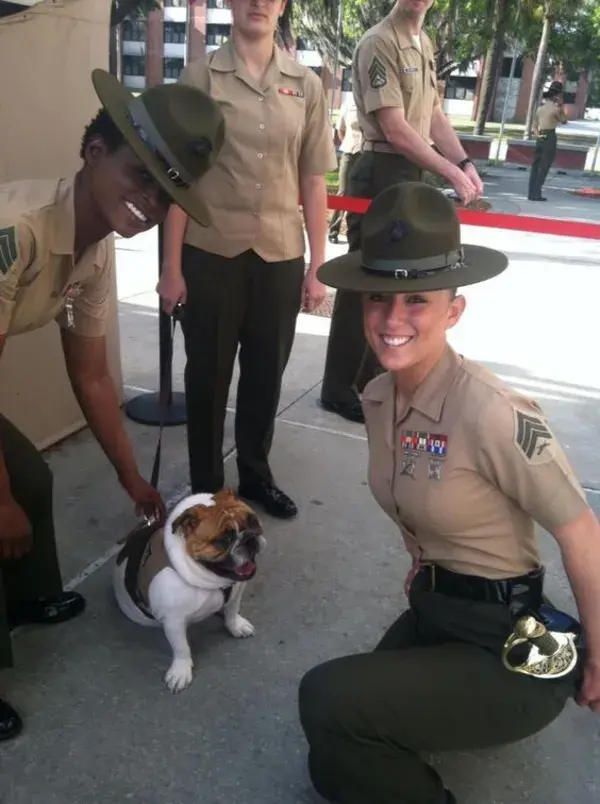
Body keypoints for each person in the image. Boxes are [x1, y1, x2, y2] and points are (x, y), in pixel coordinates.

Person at [298, 181, 600, 804]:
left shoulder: (490, 411)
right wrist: (423, 558)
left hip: (505, 642)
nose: (393, 320)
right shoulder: (380, 397)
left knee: (325, 698)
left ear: (453, 311)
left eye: (417, 300)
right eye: (379, 298)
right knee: (331, 764)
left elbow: (580, 532)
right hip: (438, 615)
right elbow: (412, 494)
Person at [0, 69, 225, 742]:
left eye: (165, 193)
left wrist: (133, 478)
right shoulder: (20, 231)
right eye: (139, 175)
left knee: (31, 478)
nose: (148, 202)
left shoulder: (93, 254)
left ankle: (30, 595)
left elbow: (93, 376)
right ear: (94, 153)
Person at [158, 0, 337, 520]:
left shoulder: (306, 84)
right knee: (207, 377)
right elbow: (179, 179)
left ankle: (256, 476)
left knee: (265, 375)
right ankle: (207, 489)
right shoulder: (200, 78)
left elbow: (312, 179)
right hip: (211, 254)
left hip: (280, 256)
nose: (258, 3)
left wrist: (318, 265)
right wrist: (171, 269)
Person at [319, 0, 485, 425]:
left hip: (411, 168)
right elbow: (394, 126)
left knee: (397, 282)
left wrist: (464, 163)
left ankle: (376, 379)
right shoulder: (380, 42)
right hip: (380, 168)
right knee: (364, 284)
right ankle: (339, 388)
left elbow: (430, 114)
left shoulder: (421, 43)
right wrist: (449, 170)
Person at [328, 96, 362, 245]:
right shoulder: (348, 103)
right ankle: (334, 230)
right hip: (349, 151)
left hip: (366, 153)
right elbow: (340, 130)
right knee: (343, 192)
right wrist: (349, 143)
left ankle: (357, 231)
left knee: (361, 194)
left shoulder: (371, 101)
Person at [528, 80, 568, 202]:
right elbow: (564, 120)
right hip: (550, 137)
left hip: (540, 137)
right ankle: (536, 193)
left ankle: (531, 192)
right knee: (544, 166)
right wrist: (561, 106)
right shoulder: (556, 109)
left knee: (535, 165)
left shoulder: (540, 109)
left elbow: (534, 127)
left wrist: (538, 135)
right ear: (557, 95)